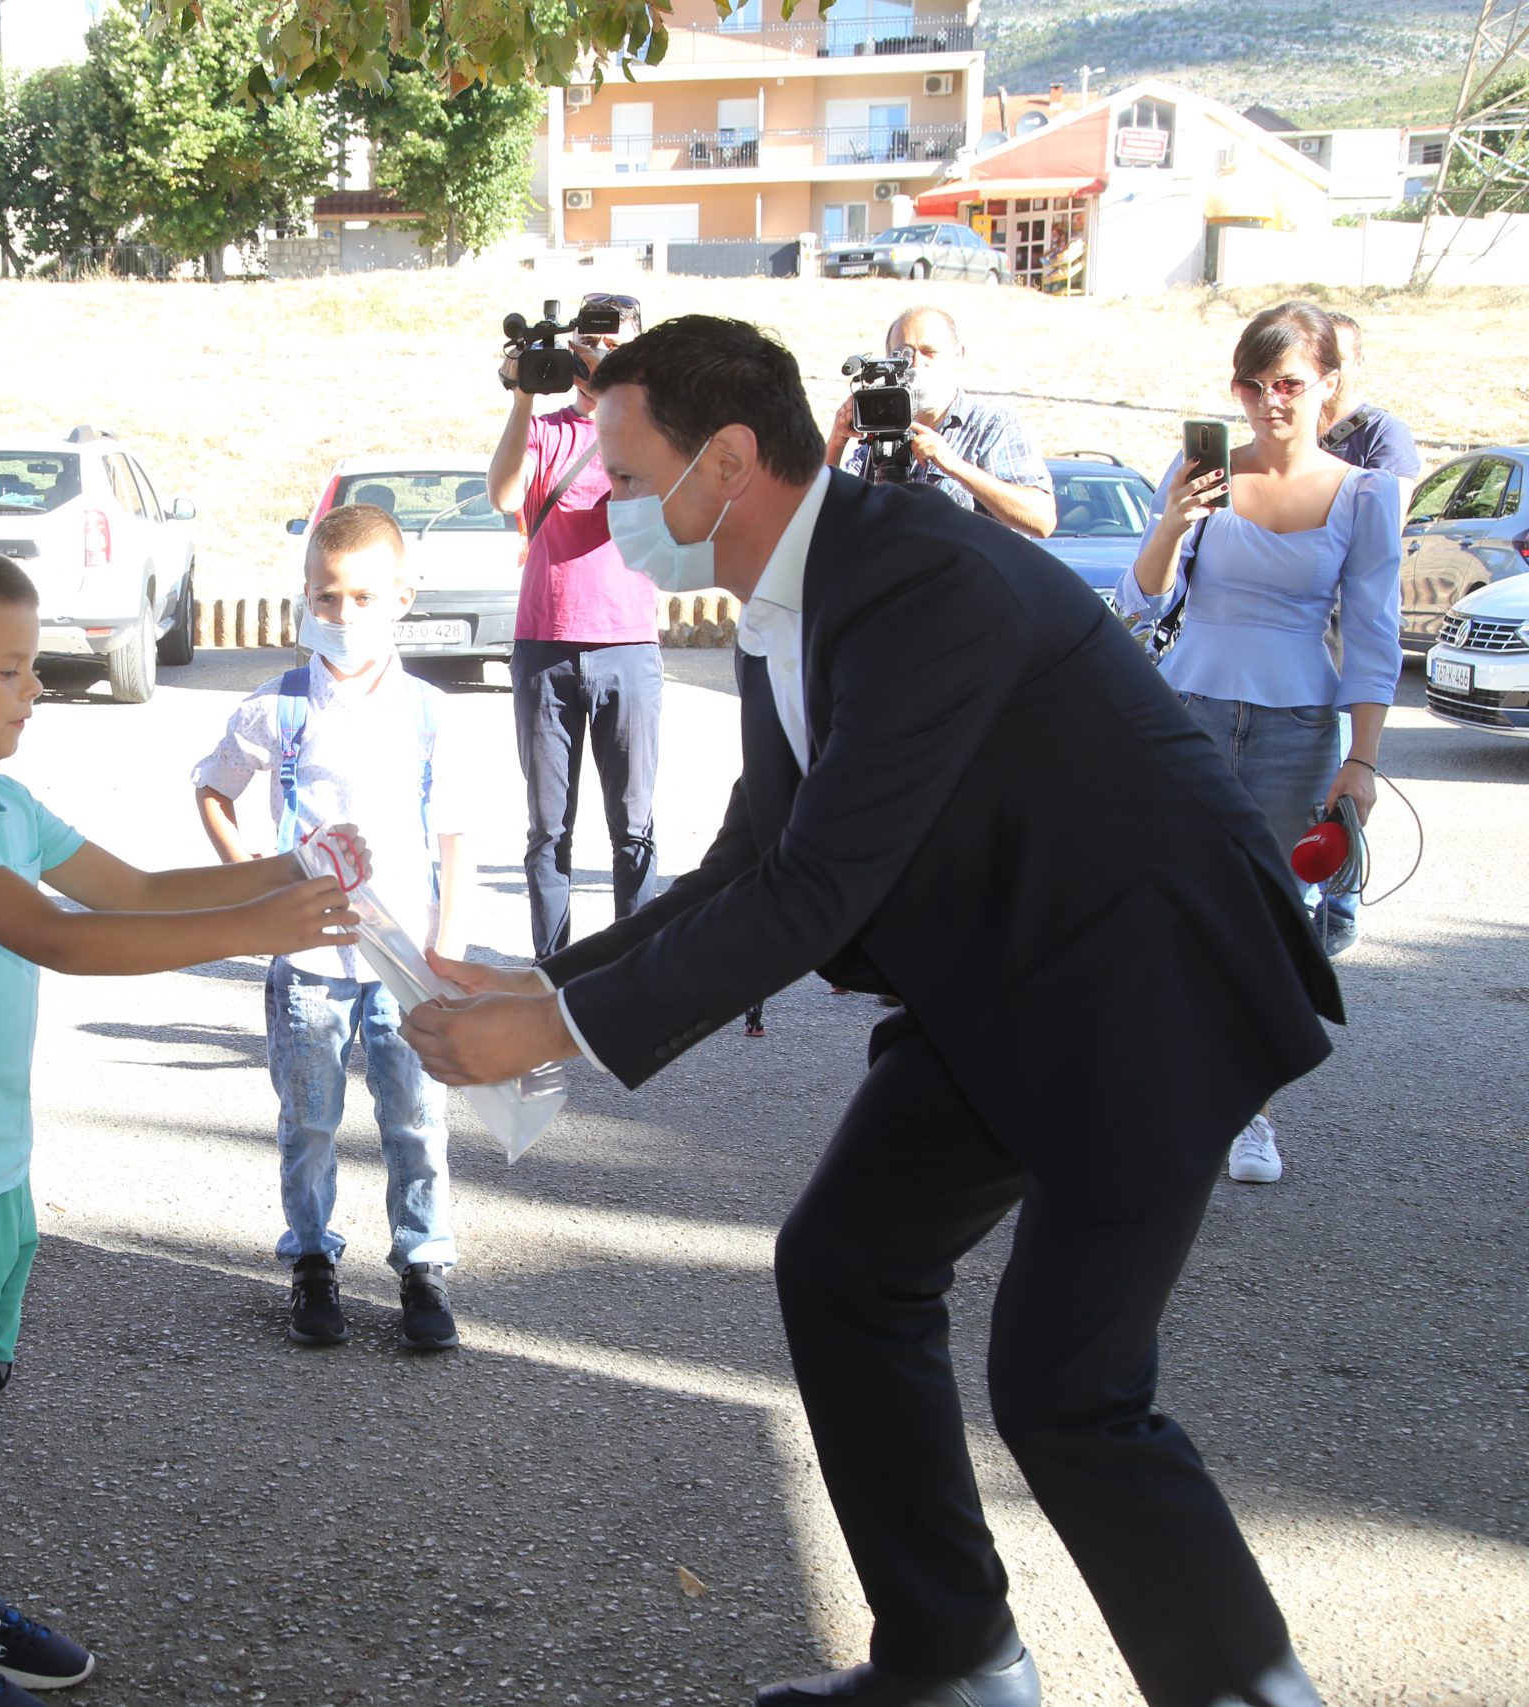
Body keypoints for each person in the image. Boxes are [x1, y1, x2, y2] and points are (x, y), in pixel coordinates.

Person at [405, 314, 1340, 1707]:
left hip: (1150, 988)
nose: (600, 498)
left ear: (726, 459)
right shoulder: (796, 585)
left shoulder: (913, 576)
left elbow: (820, 888)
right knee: (845, 1263)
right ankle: (952, 1654)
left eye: (622, 460)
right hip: (1005, 982)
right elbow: (751, 860)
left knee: (1069, 1389)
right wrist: (548, 979)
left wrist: (551, 1037)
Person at [0, 543, 362, 1706]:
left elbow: (131, 891)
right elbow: (65, 941)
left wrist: (294, 869)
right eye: (12, 668)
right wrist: (260, 929)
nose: (34, 689)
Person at [1122, 302, 1399, 1184]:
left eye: (1290, 384)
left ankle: (1251, 1110)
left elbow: (1373, 630)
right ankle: (1167, 1092)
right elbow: (1141, 597)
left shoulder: (1365, 494)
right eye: (1253, 384)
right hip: (1188, 709)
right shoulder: (1203, 469)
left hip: (1296, 726)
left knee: (1270, 921)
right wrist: (1171, 518)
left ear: (1327, 388)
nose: (1270, 401)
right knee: (1173, 907)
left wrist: (1364, 759)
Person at [192, 504, 470, 1352]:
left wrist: (446, 946)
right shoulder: (276, 707)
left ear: (402, 597)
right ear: (304, 598)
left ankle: (423, 1265)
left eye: (362, 597)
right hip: (310, 962)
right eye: (326, 597)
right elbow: (213, 787)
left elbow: (454, 831)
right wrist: (258, 885)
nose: (343, 615)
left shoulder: (428, 712)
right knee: (309, 1120)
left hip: (403, 962)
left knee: (415, 1118)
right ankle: (312, 1258)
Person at [486, 290, 663, 959]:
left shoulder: (658, 430)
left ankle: (633, 965)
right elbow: (505, 495)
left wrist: (623, 406)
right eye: (590, 343)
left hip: (628, 643)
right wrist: (521, 395)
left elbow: (646, 509)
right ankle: (553, 970)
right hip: (544, 644)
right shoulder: (547, 428)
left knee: (633, 824)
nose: (597, 356)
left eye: (614, 345)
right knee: (548, 828)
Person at [1311, 309, 1423, 960]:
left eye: (1338, 359)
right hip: (1293, 635)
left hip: (1348, 628)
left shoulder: (1382, 435)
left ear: (1355, 366)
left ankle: (1341, 902)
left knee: (1341, 776)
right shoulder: (1288, 432)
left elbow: (1382, 529)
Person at [827, 306, 1058, 538]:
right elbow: (824, 513)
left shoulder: (990, 425)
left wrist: (952, 464)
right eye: (903, 354)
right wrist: (836, 443)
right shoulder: (879, 427)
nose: (916, 364)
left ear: (957, 355)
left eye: (929, 352)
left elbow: (1041, 519)